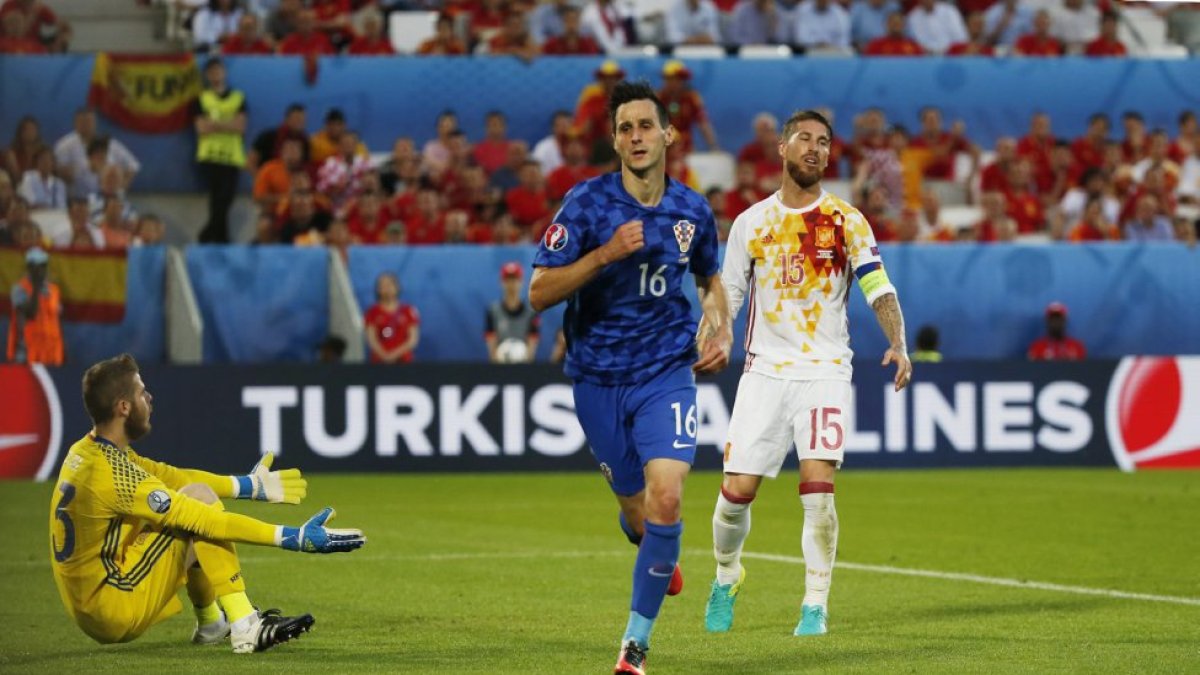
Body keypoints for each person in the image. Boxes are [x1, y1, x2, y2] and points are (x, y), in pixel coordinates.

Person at [527, 80, 732, 675]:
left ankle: (634, 646)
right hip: (598, 378)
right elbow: (538, 293)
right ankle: (644, 536)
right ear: (615, 142)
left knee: (667, 497)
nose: (636, 137)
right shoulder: (586, 205)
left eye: (645, 126)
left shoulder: (692, 209)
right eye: (625, 129)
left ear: (668, 134)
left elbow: (710, 280)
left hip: (666, 370)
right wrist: (603, 255)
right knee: (641, 511)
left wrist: (719, 330)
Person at [702, 110, 911, 639]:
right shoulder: (751, 223)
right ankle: (727, 575)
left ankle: (815, 607)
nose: (814, 148)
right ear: (783, 147)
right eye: (804, 139)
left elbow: (877, 285)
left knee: (818, 491)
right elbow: (728, 294)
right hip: (765, 373)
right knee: (734, 495)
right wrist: (716, 336)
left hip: (825, 371)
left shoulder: (846, 221)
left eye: (823, 142)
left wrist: (898, 341)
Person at [49, 353, 364, 653]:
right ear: (124, 407)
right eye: (142, 392)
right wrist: (292, 537)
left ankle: (212, 622)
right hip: (113, 605)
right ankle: (245, 625)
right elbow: (205, 519)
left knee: (193, 501)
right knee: (199, 508)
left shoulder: (88, 452)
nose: (150, 398)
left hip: (90, 602)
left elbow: (175, 477)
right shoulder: (112, 473)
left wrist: (249, 486)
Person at [192, 58, 246, 243]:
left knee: (226, 200)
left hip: (232, 156)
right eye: (212, 72)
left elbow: (240, 127)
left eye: (219, 70)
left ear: (224, 73)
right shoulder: (201, 99)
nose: (216, 75)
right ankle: (221, 239)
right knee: (216, 200)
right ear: (207, 75)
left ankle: (207, 236)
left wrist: (214, 123)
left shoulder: (238, 97)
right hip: (210, 156)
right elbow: (201, 128)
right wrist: (228, 123)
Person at [7, 245, 62, 365]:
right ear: (29, 268)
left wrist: (63, 354)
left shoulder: (53, 290)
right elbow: (31, 313)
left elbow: (57, 323)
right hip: (27, 355)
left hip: (51, 355)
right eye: (36, 267)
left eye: (43, 266)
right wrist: (36, 286)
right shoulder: (19, 289)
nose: (40, 270)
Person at [486, 262, 541, 363]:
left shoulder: (531, 313)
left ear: (521, 282)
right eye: (508, 279)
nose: (511, 284)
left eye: (515, 279)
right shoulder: (493, 311)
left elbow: (531, 348)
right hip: (500, 366)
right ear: (501, 282)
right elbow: (492, 349)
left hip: (523, 367)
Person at [364, 272, 419, 364]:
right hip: (379, 363)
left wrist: (393, 355)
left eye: (389, 285)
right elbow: (371, 339)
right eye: (382, 286)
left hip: (404, 362)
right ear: (377, 289)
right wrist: (384, 356)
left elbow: (412, 340)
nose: (387, 289)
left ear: (397, 287)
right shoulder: (372, 312)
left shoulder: (408, 311)